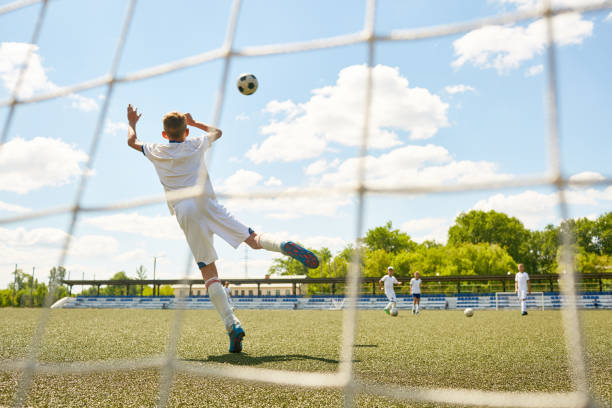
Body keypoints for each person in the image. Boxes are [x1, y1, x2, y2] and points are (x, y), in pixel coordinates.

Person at [126, 106, 319, 353]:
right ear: (184, 132)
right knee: (253, 238)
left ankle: (232, 324)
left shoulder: (156, 149)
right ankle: (282, 245)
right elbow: (217, 132)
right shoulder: (195, 143)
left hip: (184, 210)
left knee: (208, 270)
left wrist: (132, 122)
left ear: (165, 134)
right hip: (207, 203)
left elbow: (131, 141)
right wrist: (195, 124)